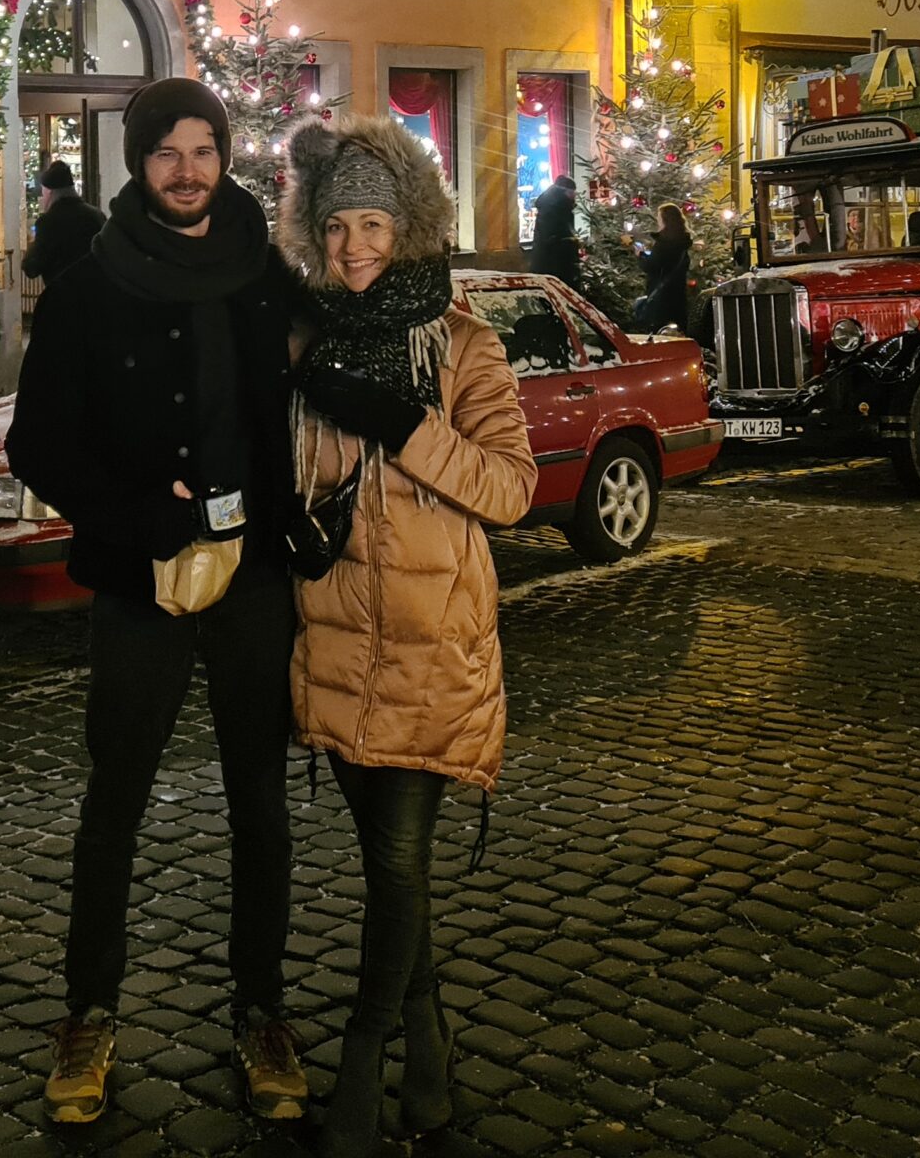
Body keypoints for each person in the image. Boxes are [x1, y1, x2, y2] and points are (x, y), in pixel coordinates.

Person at [4, 80, 311, 1129]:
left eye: (204, 150)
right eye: (167, 154)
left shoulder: (265, 275)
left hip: (253, 578)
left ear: (225, 157)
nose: (188, 171)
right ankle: (87, 1013)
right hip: (140, 585)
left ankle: (262, 1012)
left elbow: (329, 369)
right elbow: (34, 445)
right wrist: (136, 510)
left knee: (260, 806)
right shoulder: (92, 288)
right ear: (136, 165)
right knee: (115, 805)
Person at [279, 114, 537, 1157]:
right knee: (402, 883)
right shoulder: (302, 347)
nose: (352, 248)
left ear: (411, 226)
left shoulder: (463, 345)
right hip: (336, 652)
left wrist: (400, 425)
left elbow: (511, 489)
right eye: (335, 225)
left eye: (373, 222)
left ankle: (359, 1068)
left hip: (436, 654)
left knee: (396, 869)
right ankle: (429, 1088)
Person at [20, 158, 103, 283]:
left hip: (61, 297)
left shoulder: (47, 222)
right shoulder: (96, 215)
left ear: (49, 191)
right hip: (96, 295)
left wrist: (33, 244)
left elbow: (31, 268)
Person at [634, 202, 692, 333]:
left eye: (659, 218)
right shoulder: (682, 242)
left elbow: (652, 266)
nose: (658, 221)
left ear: (666, 220)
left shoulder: (663, 243)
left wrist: (641, 256)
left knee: (660, 333)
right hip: (678, 297)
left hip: (661, 300)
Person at [526, 174, 580, 287]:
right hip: (556, 267)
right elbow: (556, 238)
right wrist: (572, 242)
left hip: (550, 265)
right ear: (565, 192)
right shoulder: (557, 208)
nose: (574, 196)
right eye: (573, 192)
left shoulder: (553, 206)